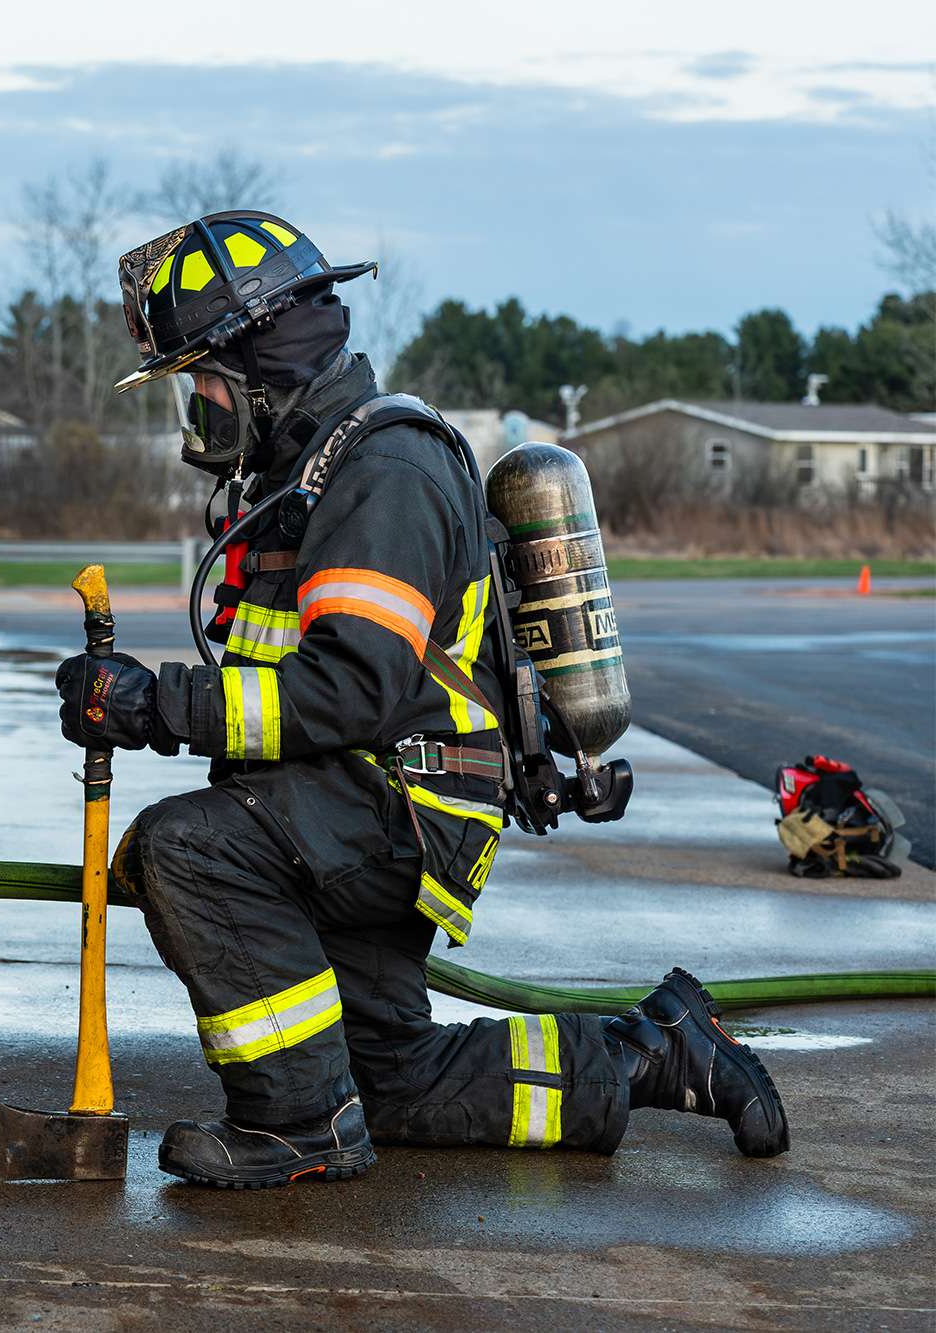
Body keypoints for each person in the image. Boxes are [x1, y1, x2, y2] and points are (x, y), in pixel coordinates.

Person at [55, 212, 788, 1188]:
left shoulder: (381, 472)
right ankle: (649, 1050)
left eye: (201, 382)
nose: (197, 410)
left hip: (392, 805)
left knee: (184, 848)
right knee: (389, 1082)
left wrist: (154, 707)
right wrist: (147, 702)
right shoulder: (303, 477)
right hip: (347, 802)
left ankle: (295, 1126)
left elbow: (348, 689)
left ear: (257, 361)